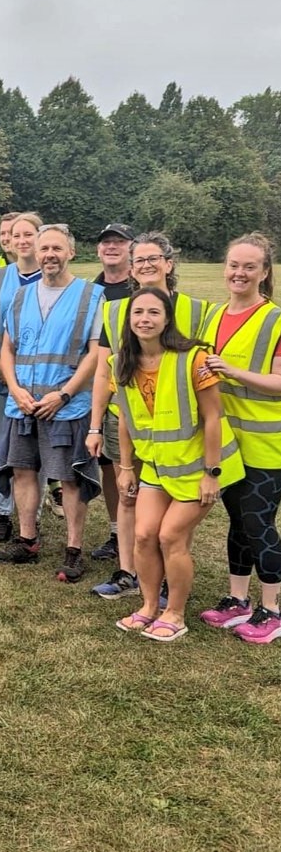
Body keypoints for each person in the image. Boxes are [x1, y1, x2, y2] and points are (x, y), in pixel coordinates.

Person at [112, 288, 243, 641]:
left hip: (200, 468)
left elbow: (213, 417)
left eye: (154, 312)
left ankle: (175, 613)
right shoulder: (121, 362)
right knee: (143, 535)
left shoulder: (193, 359)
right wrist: (126, 467)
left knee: (171, 536)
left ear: (167, 319)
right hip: (158, 466)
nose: (145, 319)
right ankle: (149, 606)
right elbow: (125, 417)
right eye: (138, 312)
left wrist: (211, 474)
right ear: (129, 319)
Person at [87, 232, 208, 600]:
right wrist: (94, 425)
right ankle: (128, 573)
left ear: (169, 264)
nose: (146, 266)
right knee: (128, 494)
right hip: (126, 420)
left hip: (178, 428)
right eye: (139, 260)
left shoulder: (195, 310)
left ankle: (169, 574)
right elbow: (103, 372)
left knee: (172, 501)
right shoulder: (114, 310)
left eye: (154, 258)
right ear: (131, 268)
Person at [0, 223, 104, 582]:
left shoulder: (90, 295)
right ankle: (27, 540)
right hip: (22, 403)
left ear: (70, 252)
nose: (49, 255)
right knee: (22, 471)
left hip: (65, 405)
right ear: (36, 255)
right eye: (44, 249)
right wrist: (14, 387)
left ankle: (73, 550)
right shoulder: (21, 297)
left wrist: (65, 392)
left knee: (69, 478)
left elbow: (96, 353)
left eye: (56, 248)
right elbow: (7, 347)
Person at [198, 233, 281, 644]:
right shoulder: (213, 315)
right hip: (227, 443)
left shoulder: (275, 320)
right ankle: (237, 600)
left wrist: (232, 370)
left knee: (258, 524)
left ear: (265, 273)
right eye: (234, 265)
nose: (240, 273)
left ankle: (272, 609)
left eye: (250, 266)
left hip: (267, 447)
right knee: (237, 524)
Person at [0, 213, 42, 542]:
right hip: (0, 380)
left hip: (39, 381)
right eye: (16, 235)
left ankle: (32, 516)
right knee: (0, 446)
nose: (21, 241)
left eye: (28, 234)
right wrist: (4, 371)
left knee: (35, 452)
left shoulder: (50, 278)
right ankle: (3, 513)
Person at [86, 221, 138, 560]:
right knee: (108, 464)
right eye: (107, 242)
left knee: (132, 468)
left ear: (131, 247)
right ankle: (117, 532)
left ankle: (139, 539)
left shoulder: (142, 289)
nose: (112, 247)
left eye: (119, 241)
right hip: (103, 391)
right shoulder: (92, 291)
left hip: (137, 397)